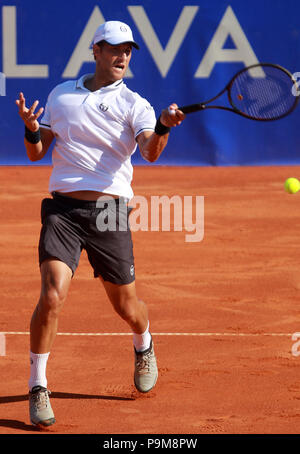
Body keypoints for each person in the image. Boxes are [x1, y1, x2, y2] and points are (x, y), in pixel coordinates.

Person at [16, 20, 185, 428]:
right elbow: (38, 153)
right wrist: (32, 129)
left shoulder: (135, 104)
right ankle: (38, 385)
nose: (122, 56)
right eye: (113, 48)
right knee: (53, 294)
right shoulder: (62, 95)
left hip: (110, 212)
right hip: (63, 211)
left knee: (126, 307)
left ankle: (143, 342)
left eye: (127, 50)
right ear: (96, 50)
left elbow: (150, 152)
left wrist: (161, 126)